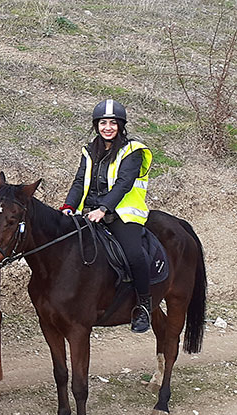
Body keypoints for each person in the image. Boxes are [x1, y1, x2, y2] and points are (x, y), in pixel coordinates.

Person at [59, 99, 153, 333]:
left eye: (113, 123)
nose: (107, 127)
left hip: (122, 214)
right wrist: (68, 206)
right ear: (96, 125)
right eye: (103, 123)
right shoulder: (89, 151)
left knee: (134, 254)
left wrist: (104, 208)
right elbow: (80, 181)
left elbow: (123, 184)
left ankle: (144, 306)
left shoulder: (133, 151)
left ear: (121, 125)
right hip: (89, 212)